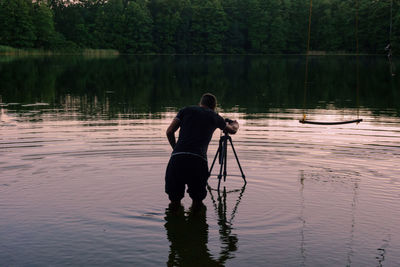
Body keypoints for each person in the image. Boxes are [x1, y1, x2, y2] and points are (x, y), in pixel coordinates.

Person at [165, 93, 239, 209]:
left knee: (174, 201)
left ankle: (175, 223)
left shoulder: (185, 110)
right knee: (197, 201)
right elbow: (232, 131)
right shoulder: (215, 116)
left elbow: (169, 132)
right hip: (198, 161)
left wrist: (176, 150)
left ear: (200, 103)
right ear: (214, 106)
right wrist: (235, 124)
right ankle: (196, 223)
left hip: (177, 159)